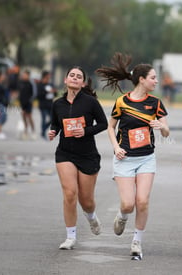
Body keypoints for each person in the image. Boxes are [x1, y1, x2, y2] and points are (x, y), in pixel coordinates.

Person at [95, 52, 170, 259]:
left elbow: (166, 131)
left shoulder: (155, 103)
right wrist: (116, 146)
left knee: (142, 201)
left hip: (146, 158)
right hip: (124, 159)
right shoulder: (122, 102)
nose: (156, 81)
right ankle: (122, 215)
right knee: (128, 204)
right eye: (153, 77)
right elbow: (110, 127)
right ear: (142, 80)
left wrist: (160, 126)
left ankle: (137, 241)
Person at [48, 66, 108, 250]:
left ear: (82, 83)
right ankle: (70, 236)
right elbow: (55, 124)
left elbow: (104, 124)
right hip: (65, 153)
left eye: (78, 76)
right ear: (65, 80)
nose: (74, 78)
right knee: (70, 194)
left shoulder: (90, 102)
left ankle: (91, 216)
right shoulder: (57, 104)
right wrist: (53, 131)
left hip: (88, 155)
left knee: (86, 200)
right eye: (71, 75)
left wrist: (85, 131)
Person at [37, 70, 56, 139]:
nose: (49, 76)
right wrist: (47, 92)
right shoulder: (40, 85)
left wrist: (54, 92)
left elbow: (54, 93)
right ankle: (43, 133)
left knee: (52, 119)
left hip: (50, 105)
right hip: (43, 105)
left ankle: (43, 129)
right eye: (48, 75)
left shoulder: (51, 84)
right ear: (45, 76)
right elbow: (38, 95)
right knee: (44, 118)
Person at [17, 70, 36, 140]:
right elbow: (20, 92)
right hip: (22, 103)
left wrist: (30, 100)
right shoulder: (21, 82)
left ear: (28, 75)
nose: (23, 76)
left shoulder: (31, 83)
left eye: (25, 75)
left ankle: (33, 131)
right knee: (23, 116)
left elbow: (34, 93)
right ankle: (25, 131)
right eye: (23, 75)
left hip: (29, 103)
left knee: (30, 117)